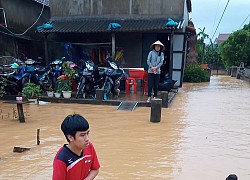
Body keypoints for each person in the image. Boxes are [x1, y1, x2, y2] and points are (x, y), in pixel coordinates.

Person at [53, 114, 100, 180]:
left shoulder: (89, 147)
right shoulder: (61, 158)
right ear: (70, 137)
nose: (87, 139)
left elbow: (95, 169)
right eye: (82, 135)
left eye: (87, 133)